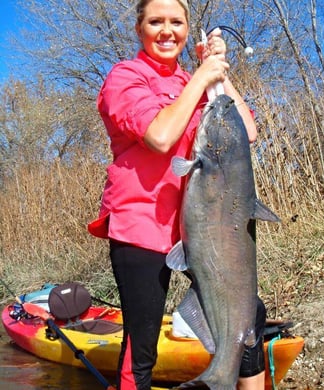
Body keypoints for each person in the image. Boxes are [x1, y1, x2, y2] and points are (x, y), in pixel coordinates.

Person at [88, 0, 267, 389]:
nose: (166, 31)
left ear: (188, 29)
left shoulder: (193, 80)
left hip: (201, 229)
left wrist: (218, 75)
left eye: (176, 22)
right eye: (155, 22)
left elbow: (246, 132)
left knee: (248, 319)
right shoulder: (125, 77)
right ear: (139, 29)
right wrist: (201, 79)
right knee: (143, 345)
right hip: (142, 226)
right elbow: (160, 135)